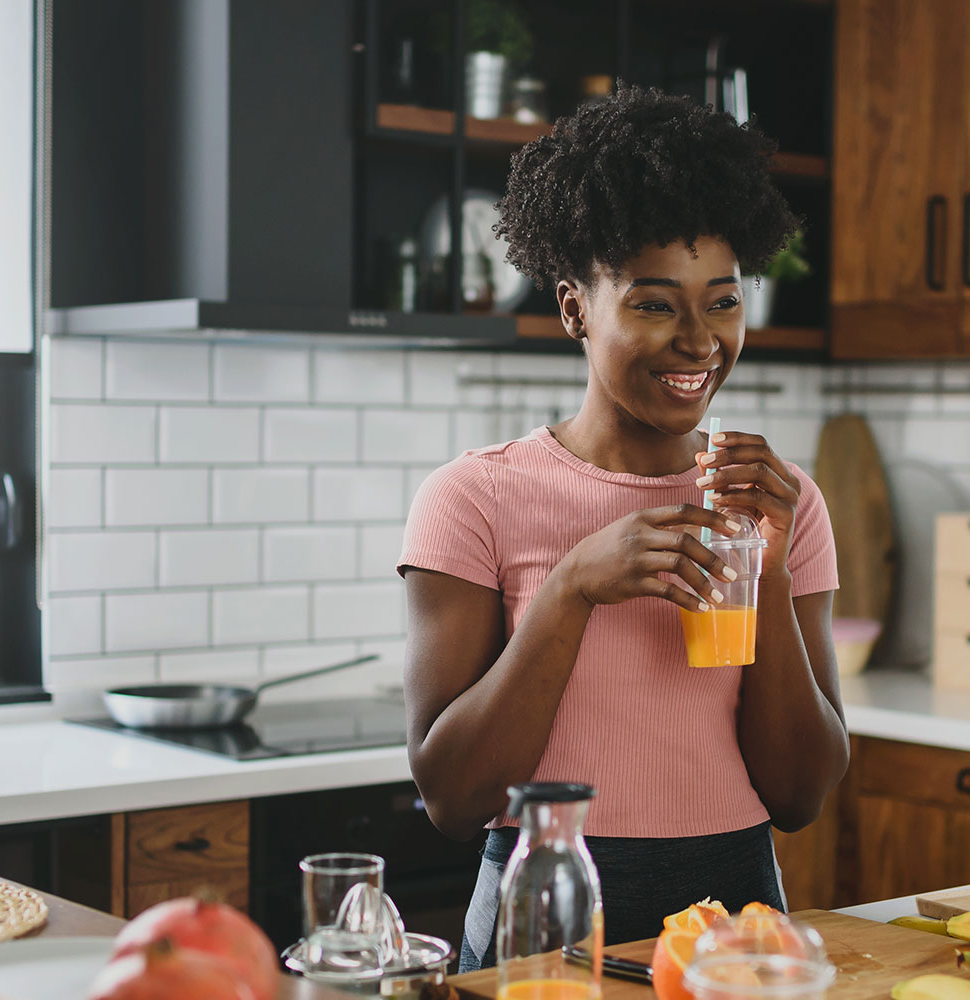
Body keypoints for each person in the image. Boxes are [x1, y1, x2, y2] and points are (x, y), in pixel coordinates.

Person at [396, 86, 847, 973]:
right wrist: (571, 588)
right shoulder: (473, 498)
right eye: (652, 304)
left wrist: (769, 568)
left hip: (734, 922)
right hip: (545, 913)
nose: (698, 340)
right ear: (574, 308)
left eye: (721, 302)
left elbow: (799, 794)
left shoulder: (780, 501)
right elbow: (453, 797)